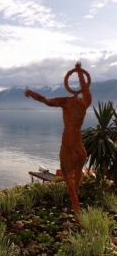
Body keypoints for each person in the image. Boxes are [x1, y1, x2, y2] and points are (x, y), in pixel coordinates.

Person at [24, 62, 91, 217]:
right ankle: (77, 192)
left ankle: (76, 207)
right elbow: (86, 90)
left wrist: (33, 94)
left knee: (67, 174)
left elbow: (47, 101)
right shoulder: (84, 102)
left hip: (68, 144)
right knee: (78, 170)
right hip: (80, 146)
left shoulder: (66, 101)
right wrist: (80, 72)